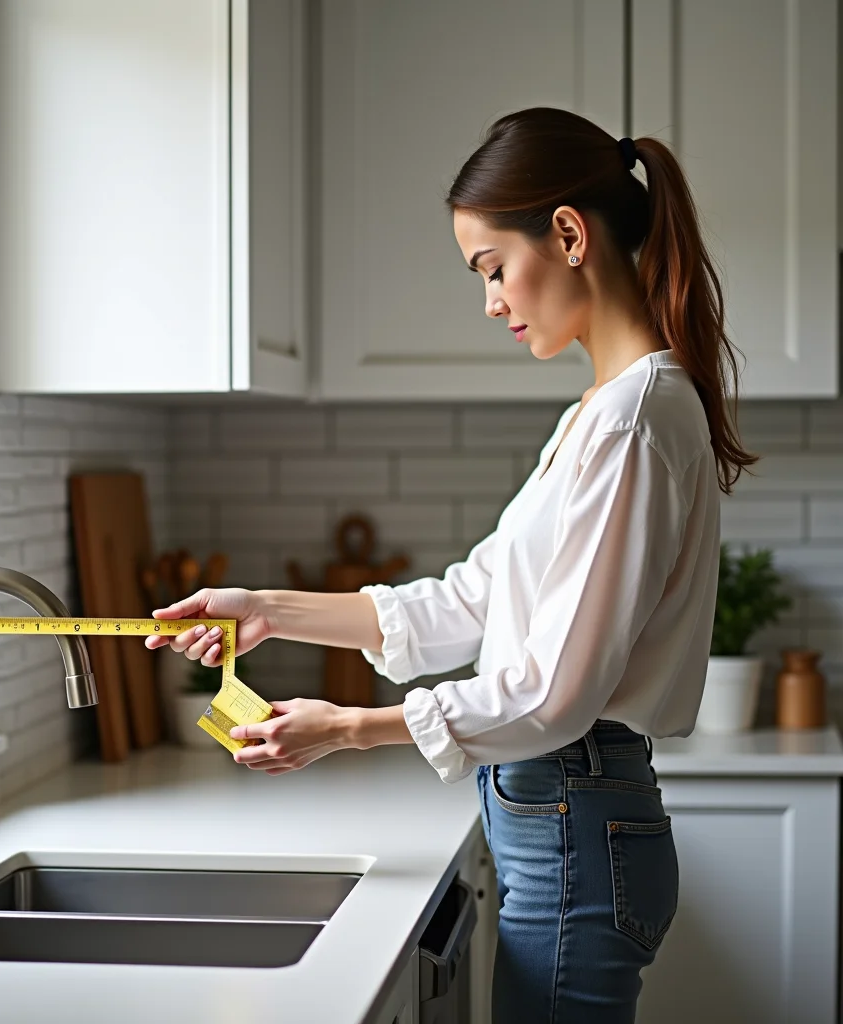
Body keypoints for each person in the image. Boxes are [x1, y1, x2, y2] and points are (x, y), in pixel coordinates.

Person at [146, 106, 753, 1023]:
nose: (492, 302)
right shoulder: (607, 412)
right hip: (566, 816)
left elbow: (555, 692)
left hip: (574, 816)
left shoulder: (633, 420)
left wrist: (348, 727)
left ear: (569, 233)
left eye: (493, 268)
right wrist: (266, 606)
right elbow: (471, 600)